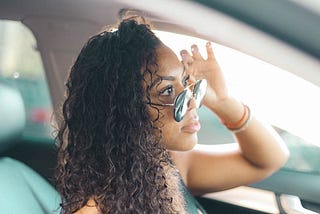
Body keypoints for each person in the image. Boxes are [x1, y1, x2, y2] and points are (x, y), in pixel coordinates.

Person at [55, 16, 289, 214]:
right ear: (123, 111)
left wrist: (224, 103)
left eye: (187, 84)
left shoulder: (169, 166)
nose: (191, 104)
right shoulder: (93, 209)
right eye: (167, 90)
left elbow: (271, 159)